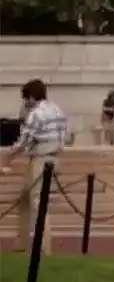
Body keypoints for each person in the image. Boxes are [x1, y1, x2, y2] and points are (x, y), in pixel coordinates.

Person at [1, 80, 66, 255]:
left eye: (26, 98)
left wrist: (7, 158)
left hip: (40, 159)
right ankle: (21, 242)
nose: (25, 102)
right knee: (24, 198)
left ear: (31, 96)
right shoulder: (57, 110)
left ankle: (45, 248)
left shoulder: (36, 114)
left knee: (38, 202)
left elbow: (24, 142)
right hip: (53, 157)